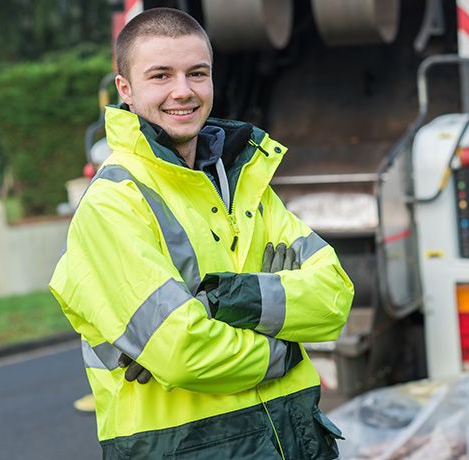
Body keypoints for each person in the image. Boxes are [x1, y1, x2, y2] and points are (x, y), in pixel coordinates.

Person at [50, 7, 354, 459]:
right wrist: (283, 348)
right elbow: (183, 351)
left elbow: (333, 298)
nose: (183, 91)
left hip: (293, 439)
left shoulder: (245, 183)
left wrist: (223, 301)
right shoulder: (114, 203)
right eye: (161, 76)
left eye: (197, 73)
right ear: (125, 90)